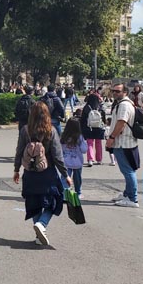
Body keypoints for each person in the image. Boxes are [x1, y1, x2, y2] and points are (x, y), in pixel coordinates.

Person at [13, 101, 73, 246]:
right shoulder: (51, 131)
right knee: (54, 202)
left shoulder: (25, 130)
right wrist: (66, 175)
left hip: (30, 173)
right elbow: (58, 156)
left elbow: (19, 151)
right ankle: (42, 224)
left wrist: (16, 170)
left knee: (34, 204)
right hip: (48, 172)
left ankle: (39, 234)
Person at [106, 83, 139, 207]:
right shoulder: (125, 103)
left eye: (118, 91)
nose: (115, 93)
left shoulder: (124, 105)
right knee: (128, 170)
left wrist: (111, 137)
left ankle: (132, 198)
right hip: (126, 142)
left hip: (123, 143)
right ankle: (127, 194)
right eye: (113, 91)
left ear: (125, 92)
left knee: (128, 171)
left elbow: (121, 123)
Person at [60, 117, 87, 198]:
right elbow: (84, 150)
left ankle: (65, 193)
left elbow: (60, 148)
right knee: (77, 179)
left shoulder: (63, 136)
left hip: (66, 161)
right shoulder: (79, 137)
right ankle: (78, 192)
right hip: (77, 161)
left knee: (65, 178)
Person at [80, 92, 105, 167]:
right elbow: (103, 117)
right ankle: (99, 159)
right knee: (98, 143)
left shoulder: (87, 107)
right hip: (98, 127)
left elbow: (83, 119)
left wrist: (82, 128)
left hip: (89, 128)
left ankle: (90, 159)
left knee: (89, 143)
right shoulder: (100, 107)